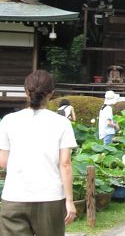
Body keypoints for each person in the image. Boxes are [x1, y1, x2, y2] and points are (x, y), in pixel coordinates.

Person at [0, 70, 77, 235]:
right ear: (51, 93)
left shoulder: (8, 121)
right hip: (50, 198)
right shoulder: (61, 123)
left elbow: (2, 162)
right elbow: (65, 164)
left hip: (15, 195)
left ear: (26, 91)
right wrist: (69, 201)